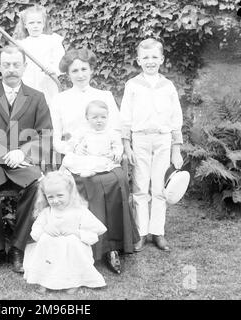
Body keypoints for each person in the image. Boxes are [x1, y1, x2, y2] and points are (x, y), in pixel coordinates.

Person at [50, 48, 140, 274]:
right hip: (78, 158)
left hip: (104, 156)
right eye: (74, 70)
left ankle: (114, 246)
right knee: (91, 184)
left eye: (84, 69)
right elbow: (56, 139)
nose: (80, 74)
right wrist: (71, 149)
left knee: (117, 178)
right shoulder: (59, 99)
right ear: (67, 73)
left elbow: (117, 130)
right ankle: (93, 246)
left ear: (91, 70)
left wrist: (117, 150)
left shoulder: (105, 95)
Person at [0, 45, 53, 275]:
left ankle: (18, 248)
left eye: (16, 64)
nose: (11, 69)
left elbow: (45, 135)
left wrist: (23, 152)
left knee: (37, 186)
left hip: (23, 163)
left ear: (25, 67)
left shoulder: (37, 98)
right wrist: (1, 153)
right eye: (6, 65)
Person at [120, 38, 184, 252]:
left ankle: (158, 232)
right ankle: (141, 232)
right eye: (145, 57)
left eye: (155, 57)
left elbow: (176, 118)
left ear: (162, 59)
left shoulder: (168, 86)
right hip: (140, 139)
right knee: (139, 187)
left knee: (159, 188)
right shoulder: (132, 85)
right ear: (139, 60)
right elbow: (125, 117)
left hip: (163, 140)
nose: (150, 61)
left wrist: (176, 149)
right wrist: (127, 146)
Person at [23, 171, 107, 294]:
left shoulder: (79, 211)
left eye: (60, 195)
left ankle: (74, 281)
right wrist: (45, 229)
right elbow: (35, 232)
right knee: (45, 239)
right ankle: (44, 279)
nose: (55, 200)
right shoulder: (47, 212)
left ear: (70, 193)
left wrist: (76, 232)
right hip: (51, 251)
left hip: (72, 251)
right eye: (50, 197)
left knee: (72, 242)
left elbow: (96, 230)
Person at [13, 4, 65, 106]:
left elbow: (60, 60)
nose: (35, 26)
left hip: (47, 81)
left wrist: (52, 69)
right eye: (31, 23)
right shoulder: (21, 44)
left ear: (43, 24)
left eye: (38, 22)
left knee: (48, 107)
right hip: (28, 81)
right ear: (25, 25)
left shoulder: (52, 41)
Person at [61, 100, 123, 177]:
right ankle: (70, 171)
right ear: (87, 118)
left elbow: (118, 146)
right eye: (95, 117)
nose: (99, 120)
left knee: (102, 163)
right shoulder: (84, 130)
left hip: (102, 158)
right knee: (68, 158)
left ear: (107, 116)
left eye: (103, 117)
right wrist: (77, 147)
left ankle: (89, 171)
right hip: (86, 157)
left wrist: (114, 154)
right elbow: (72, 141)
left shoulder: (111, 132)